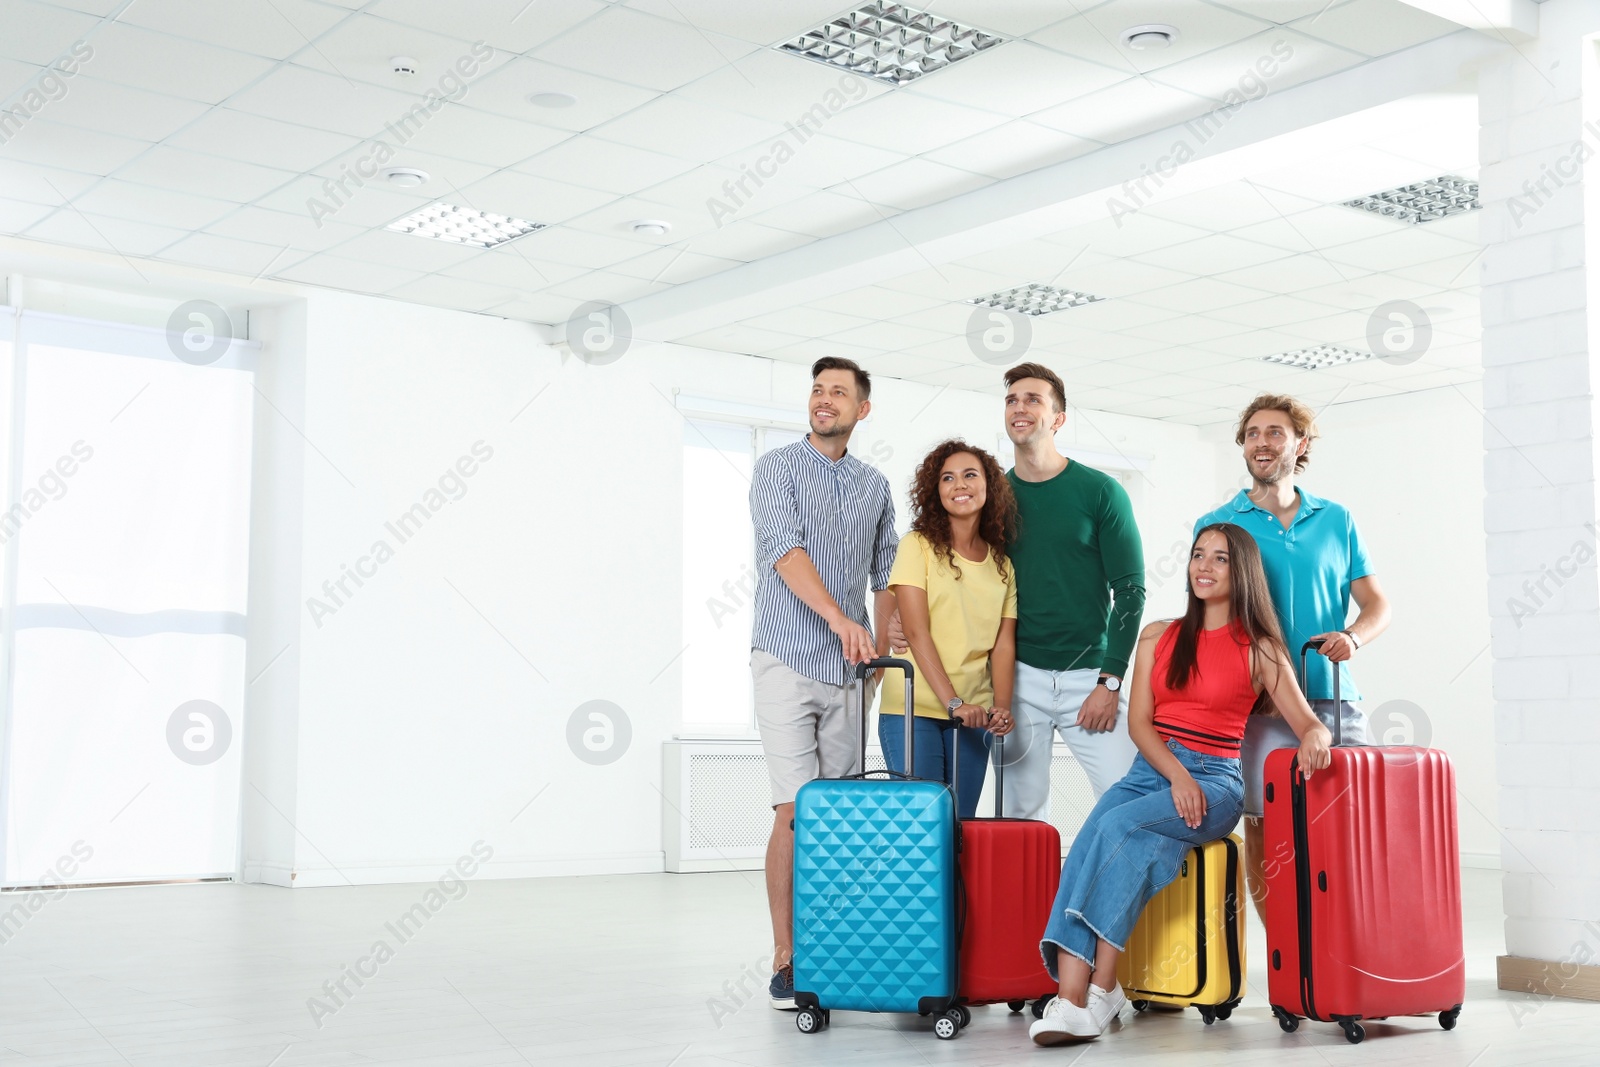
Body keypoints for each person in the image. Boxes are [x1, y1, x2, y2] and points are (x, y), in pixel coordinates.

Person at [1029, 524, 1333, 1045]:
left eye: (1219, 559)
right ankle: (1071, 1001)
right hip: (1156, 772)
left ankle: (1098, 994)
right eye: (1198, 556)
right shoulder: (1158, 635)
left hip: (1216, 783)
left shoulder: (1260, 649)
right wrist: (1176, 776)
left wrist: (1316, 739)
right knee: (1095, 837)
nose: (1203, 567)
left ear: (1242, 574)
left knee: (1119, 825)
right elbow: (1140, 725)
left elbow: (1310, 723)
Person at [1193, 394, 1391, 922]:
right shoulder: (1219, 524)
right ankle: (1286, 952)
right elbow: (1206, 612)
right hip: (1257, 706)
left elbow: (1377, 604)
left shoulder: (1337, 519)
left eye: (1275, 432)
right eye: (1252, 433)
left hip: (1332, 696)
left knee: (1349, 823)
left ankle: (1340, 947)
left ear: (1299, 444)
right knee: (1264, 825)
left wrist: (1355, 636)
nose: (1262, 442)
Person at [749, 356, 898, 1011]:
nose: (824, 399)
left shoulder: (874, 485)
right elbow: (785, 552)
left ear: (861, 409)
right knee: (795, 808)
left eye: (839, 391)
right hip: (785, 654)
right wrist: (840, 619)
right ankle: (786, 956)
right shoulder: (775, 468)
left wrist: (886, 645)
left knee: (837, 818)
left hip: (850, 672)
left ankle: (828, 947)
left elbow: (887, 574)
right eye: (817, 389)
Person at [986, 362, 1146, 815]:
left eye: (1033, 399)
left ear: (1058, 419)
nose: (1020, 408)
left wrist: (1110, 680)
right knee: (1019, 813)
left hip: (1089, 677)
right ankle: (1030, 890)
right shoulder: (992, 495)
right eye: (1012, 400)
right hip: (1017, 678)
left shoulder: (1100, 492)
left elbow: (1130, 591)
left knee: (1125, 802)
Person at [883, 440, 1019, 818]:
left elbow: (1003, 646)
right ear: (935, 491)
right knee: (922, 828)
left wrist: (1002, 707)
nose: (959, 485)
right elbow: (915, 630)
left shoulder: (1003, 565)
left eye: (970, 475)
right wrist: (953, 702)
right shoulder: (917, 546)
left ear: (988, 486)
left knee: (960, 828)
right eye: (948, 478)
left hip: (975, 715)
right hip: (914, 708)